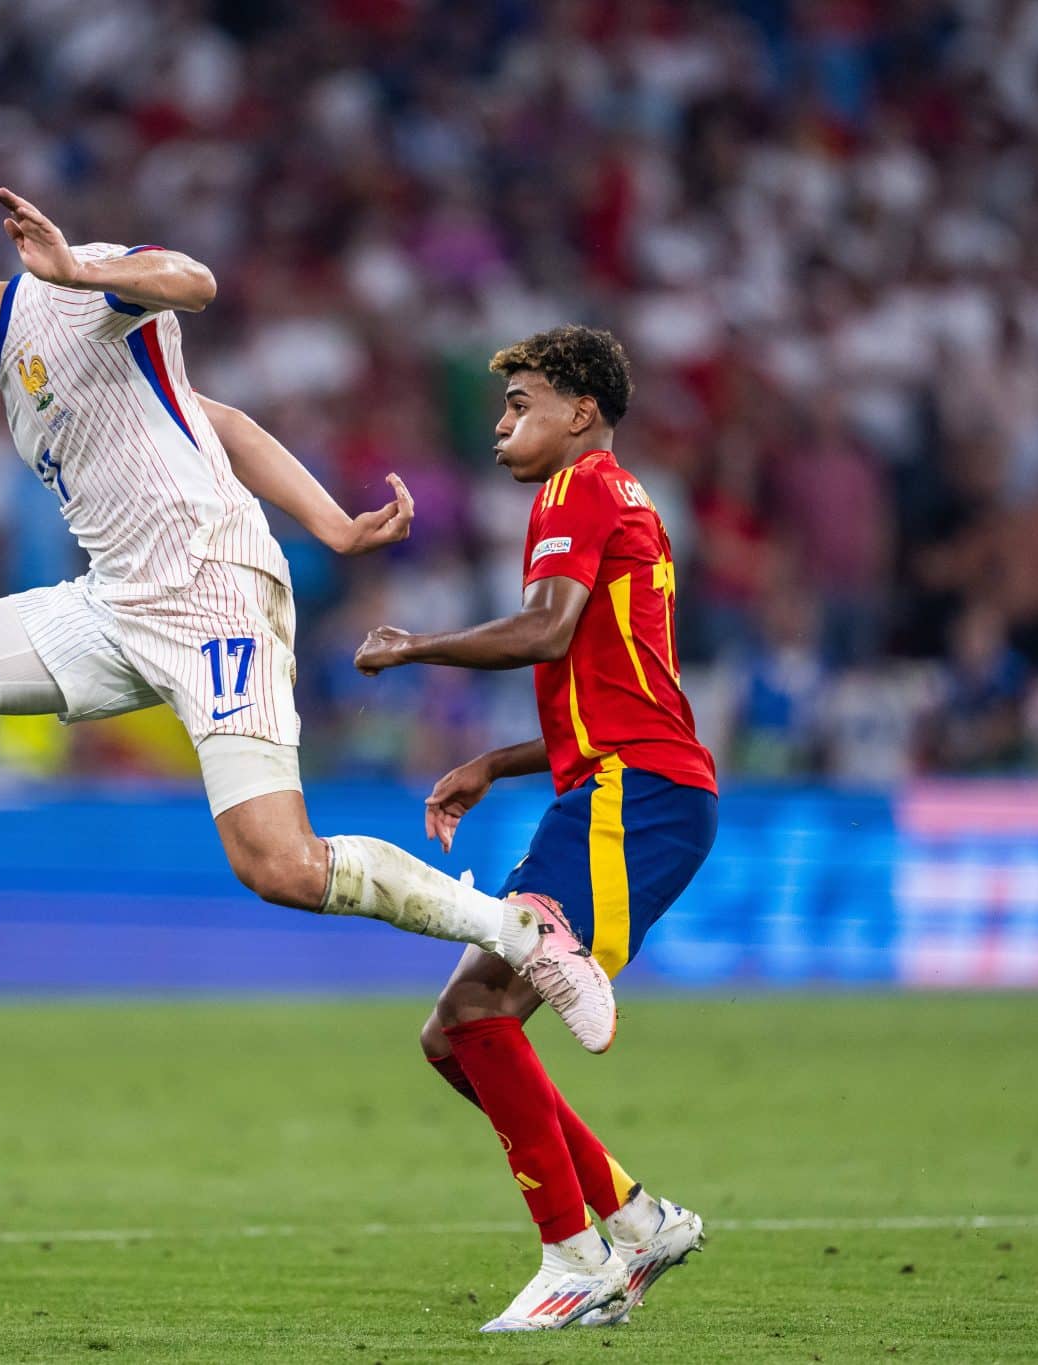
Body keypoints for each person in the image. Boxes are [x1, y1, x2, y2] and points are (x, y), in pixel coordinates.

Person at [0, 189, 614, 1059]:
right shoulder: (13, 378)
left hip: (212, 595)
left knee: (278, 864)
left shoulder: (63, 294)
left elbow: (191, 280)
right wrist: (326, 518)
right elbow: (207, 415)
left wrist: (80, 270)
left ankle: (520, 929)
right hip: (115, 600)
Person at [353, 326, 717, 1332]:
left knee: (475, 1012)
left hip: (628, 793)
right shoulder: (616, 499)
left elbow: (546, 632)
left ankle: (570, 1254)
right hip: (628, 785)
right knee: (452, 1037)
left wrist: (413, 646)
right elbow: (601, 681)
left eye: (521, 404)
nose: (502, 424)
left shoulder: (578, 490)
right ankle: (633, 1219)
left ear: (581, 413)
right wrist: (494, 761)